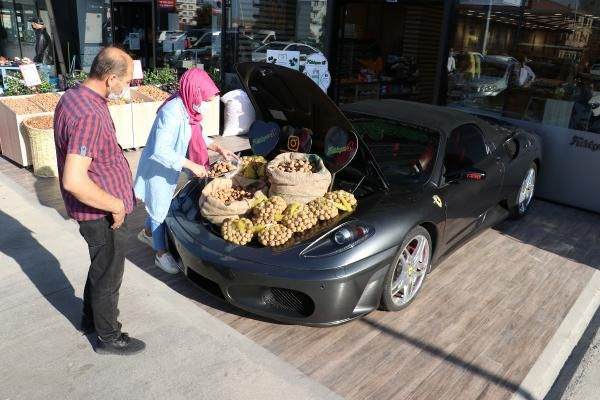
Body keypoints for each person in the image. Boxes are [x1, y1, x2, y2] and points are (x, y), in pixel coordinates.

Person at [54, 46, 145, 356]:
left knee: (100, 266)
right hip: (101, 213)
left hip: (97, 208)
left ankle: (89, 320)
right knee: (109, 274)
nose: (128, 86)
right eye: (126, 80)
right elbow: (74, 180)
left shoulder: (74, 96)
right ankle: (109, 337)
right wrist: (116, 205)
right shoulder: (90, 114)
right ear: (110, 78)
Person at [134, 68, 237, 273]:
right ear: (194, 92)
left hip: (173, 161)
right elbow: (160, 150)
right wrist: (193, 165)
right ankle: (161, 253)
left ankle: (147, 233)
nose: (207, 104)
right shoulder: (171, 112)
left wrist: (218, 147)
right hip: (159, 165)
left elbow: (194, 136)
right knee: (159, 206)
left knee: (159, 204)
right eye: (206, 99)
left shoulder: (189, 110)